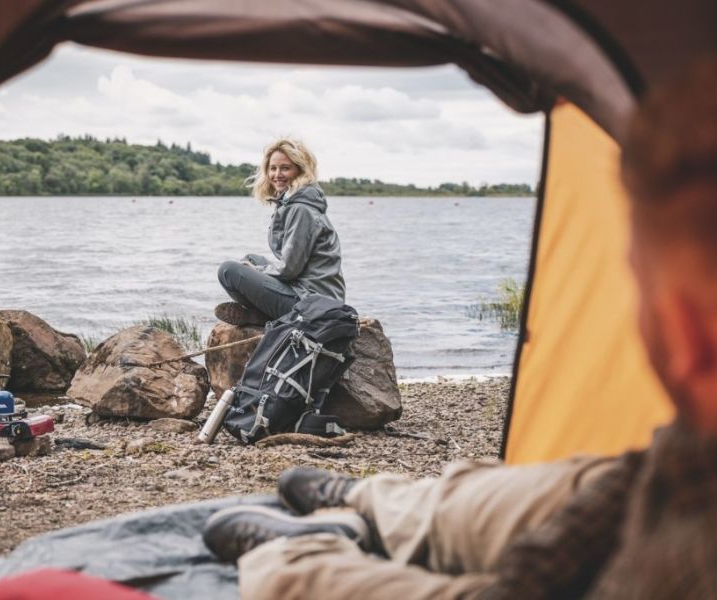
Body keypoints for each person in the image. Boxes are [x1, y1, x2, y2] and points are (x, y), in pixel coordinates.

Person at [202, 56, 717, 599]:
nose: (278, 175)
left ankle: (304, 552)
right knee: (546, 488)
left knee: (298, 572)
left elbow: (530, 578)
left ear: (688, 333)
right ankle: (372, 503)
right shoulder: (684, 466)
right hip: (666, 470)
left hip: (313, 305)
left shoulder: (682, 556)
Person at [215, 138, 345, 326]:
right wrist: (257, 268)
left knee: (228, 271)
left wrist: (258, 271)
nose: (277, 174)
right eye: (273, 168)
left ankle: (265, 317)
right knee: (251, 259)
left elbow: (289, 270)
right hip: (306, 292)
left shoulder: (301, 210)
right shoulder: (292, 203)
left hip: (313, 304)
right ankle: (263, 316)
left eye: (285, 168)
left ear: (300, 171)